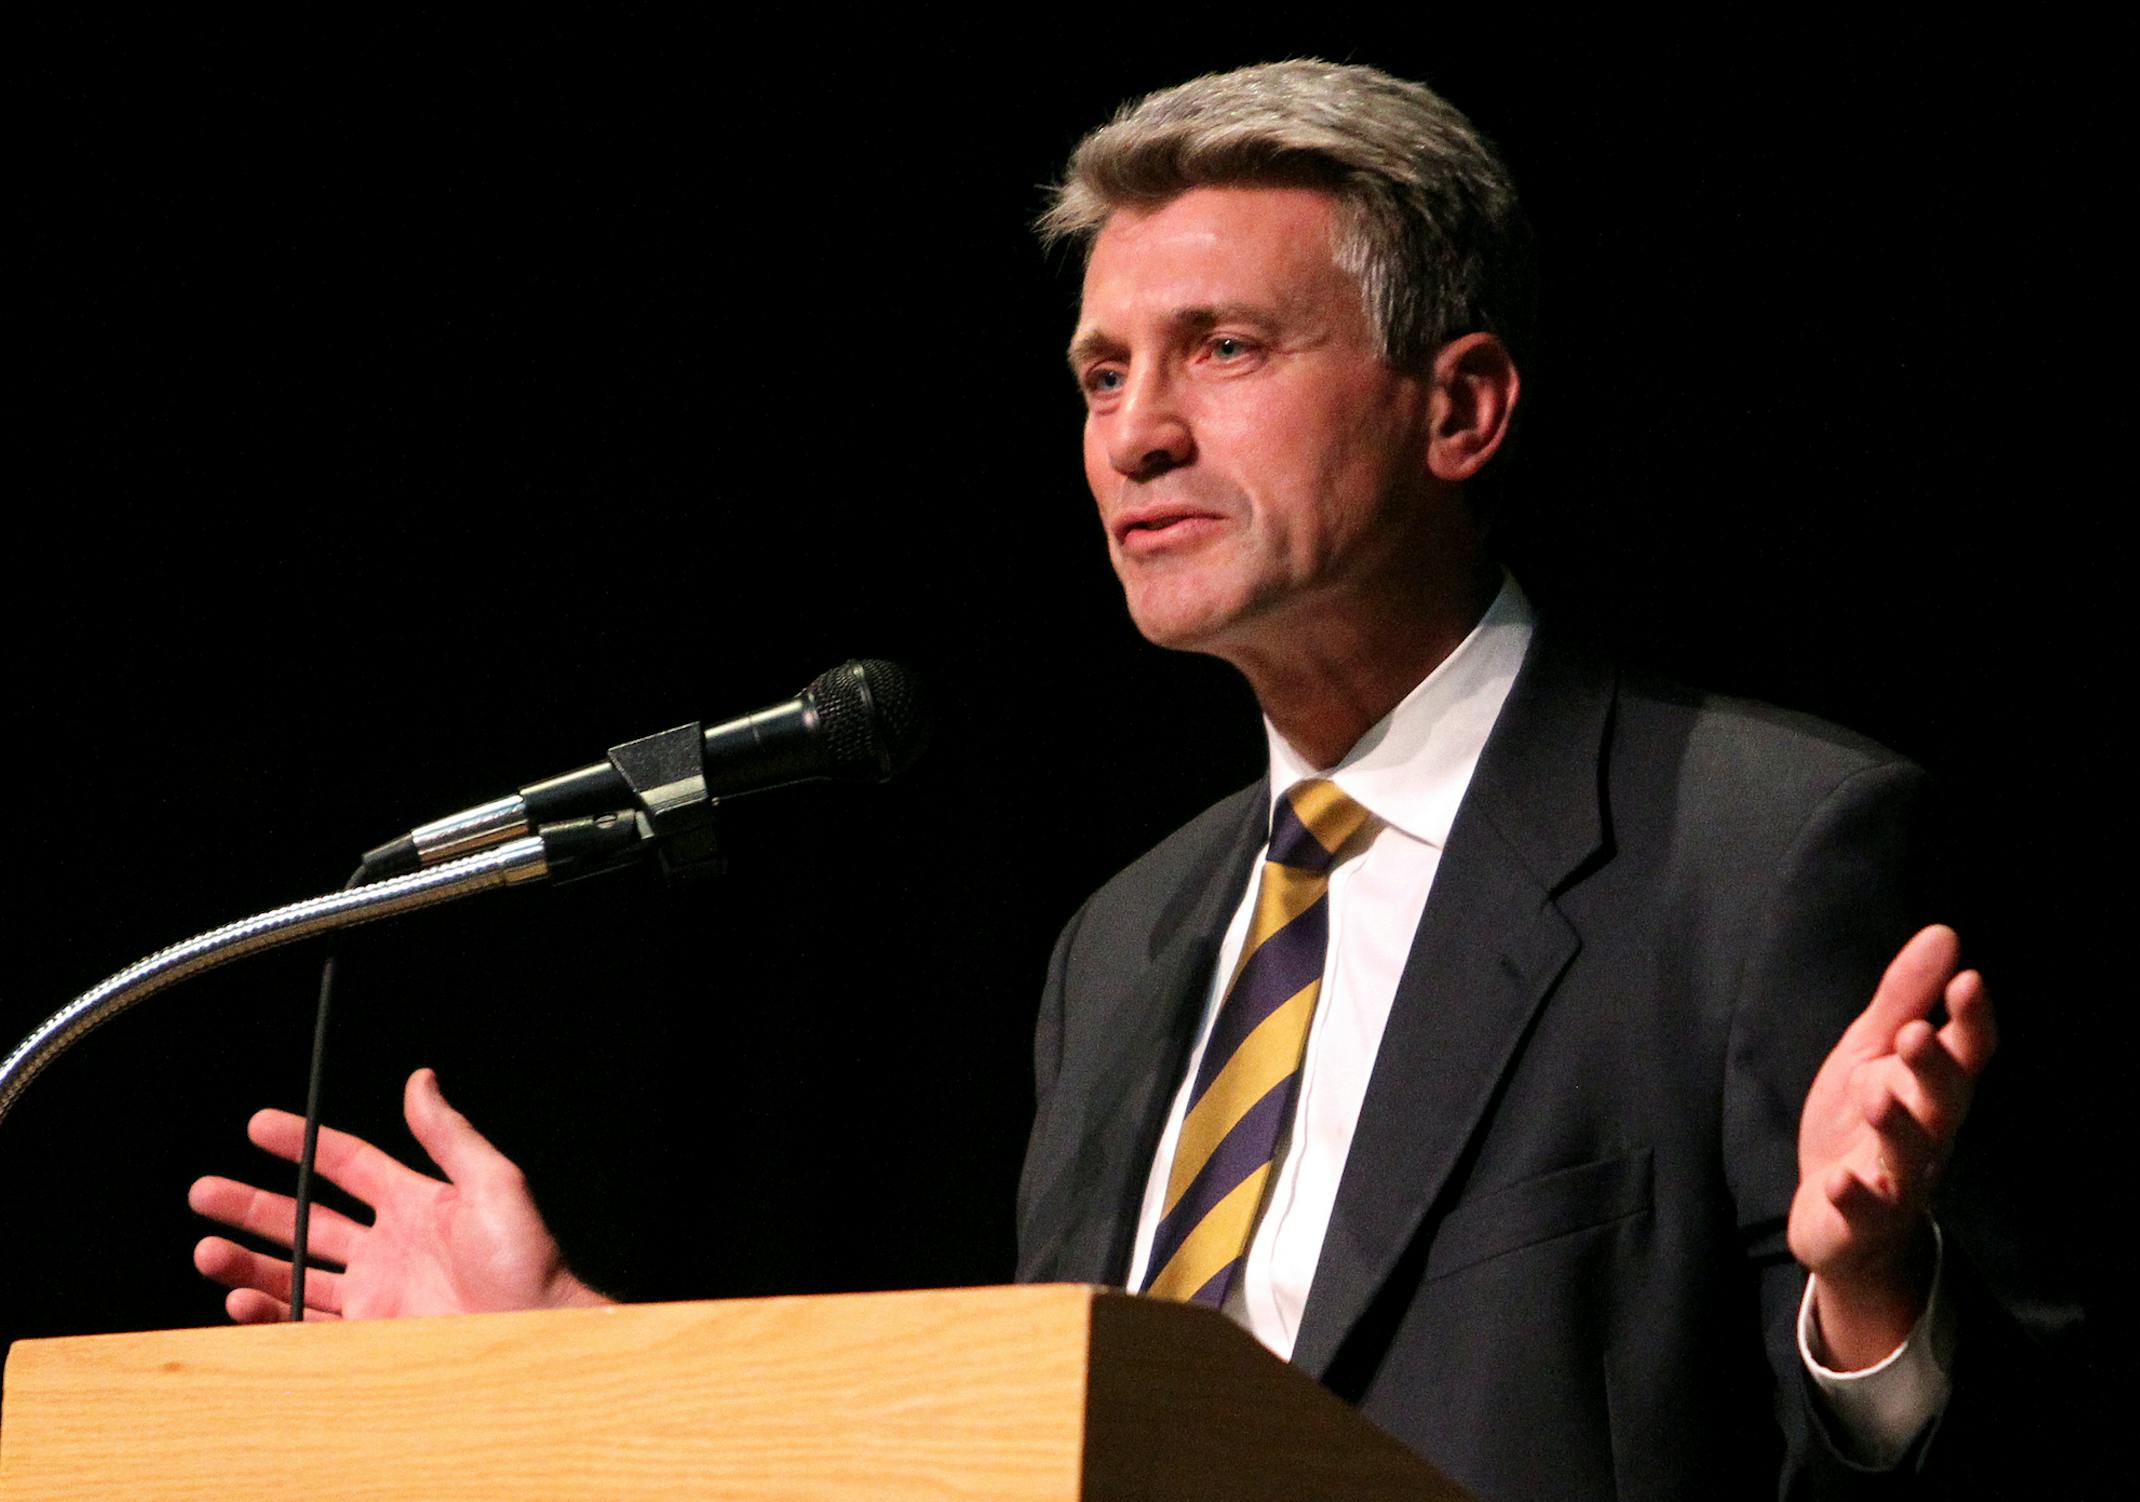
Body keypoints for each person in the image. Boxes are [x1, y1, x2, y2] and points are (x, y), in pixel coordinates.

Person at [192, 62, 2012, 1498]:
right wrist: (567, 1343)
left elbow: (1968, 1451)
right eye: (1099, 372)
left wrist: (1871, 1305)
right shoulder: (1123, 947)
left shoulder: (1758, 851)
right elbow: (1032, 1460)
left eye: (1225, 349)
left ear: (1460, 407)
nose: (1137, 431)